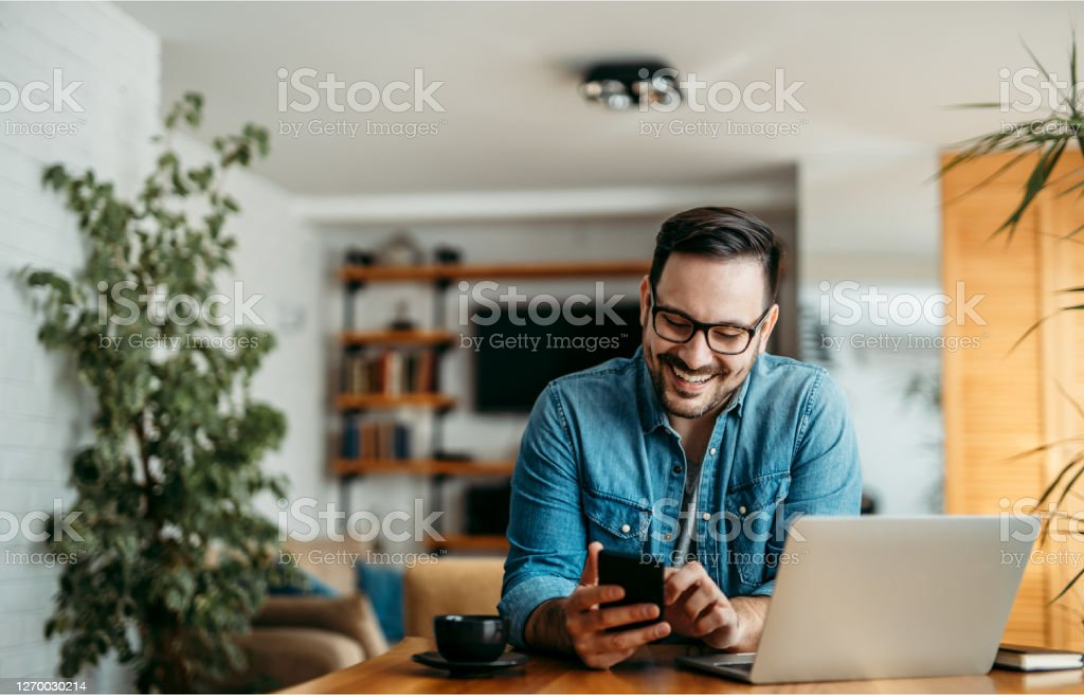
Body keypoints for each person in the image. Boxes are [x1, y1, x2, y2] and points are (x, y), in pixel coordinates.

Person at [498, 207, 862, 668]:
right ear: (647, 302)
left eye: (728, 333)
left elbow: (823, 590)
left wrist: (736, 620)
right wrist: (566, 624)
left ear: (764, 329)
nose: (694, 356)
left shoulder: (810, 408)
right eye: (675, 321)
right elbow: (533, 582)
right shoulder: (567, 411)